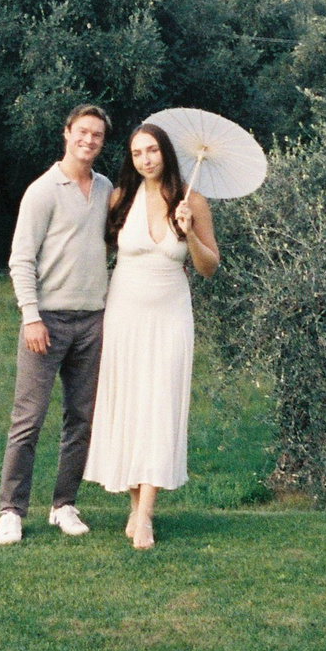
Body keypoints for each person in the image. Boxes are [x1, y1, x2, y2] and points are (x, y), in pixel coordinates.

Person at [82, 121, 218, 549]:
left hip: (170, 316)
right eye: (138, 152)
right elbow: (94, 247)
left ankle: (145, 516)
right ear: (131, 158)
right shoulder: (121, 198)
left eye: (153, 150)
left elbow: (208, 266)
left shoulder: (192, 199)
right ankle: (135, 506)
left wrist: (190, 231)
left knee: (159, 407)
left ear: (166, 153)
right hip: (125, 313)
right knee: (129, 408)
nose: (146, 159)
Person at [0, 103, 113, 545]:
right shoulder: (43, 190)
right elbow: (20, 259)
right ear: (66, 133)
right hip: (45, 323)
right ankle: (11, 511)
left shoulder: (105, 189)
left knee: (80, 420)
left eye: (97, 136)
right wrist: (31, 316)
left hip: (92, 322)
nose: (88, 141)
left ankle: (63, 504)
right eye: (82, 132)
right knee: (28, 420)